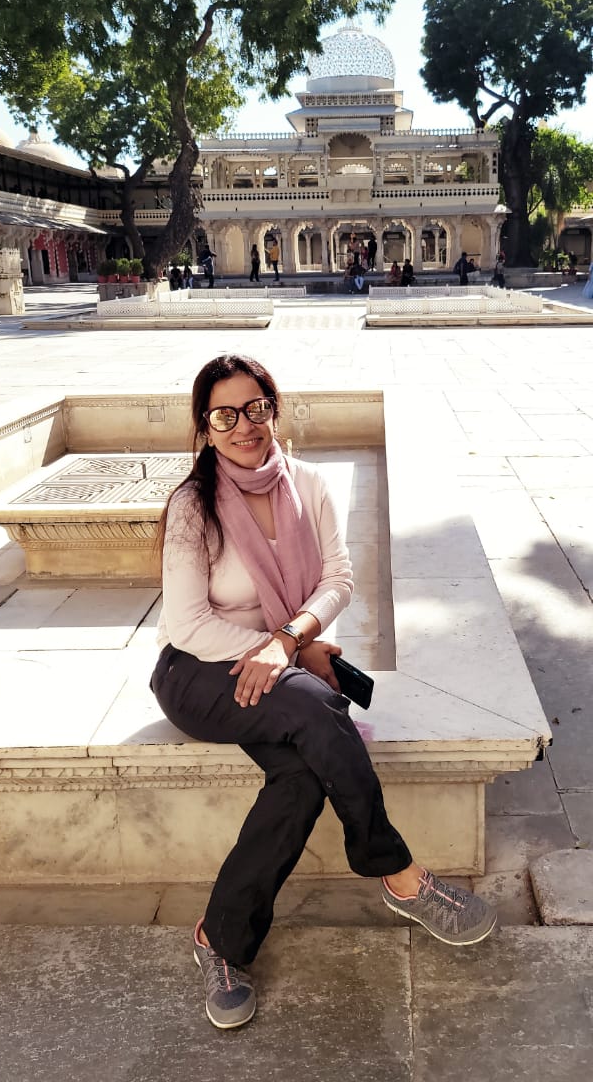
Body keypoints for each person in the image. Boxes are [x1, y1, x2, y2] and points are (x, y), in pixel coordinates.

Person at [152, 354, 496, 1031]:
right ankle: (396, 871)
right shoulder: (193, 508)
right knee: (317, 703)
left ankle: (218, 940)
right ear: (206, 427)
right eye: (225, 414)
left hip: (273, 662)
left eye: (256, 407)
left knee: (304, 778)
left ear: (273, 408)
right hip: (195, 671)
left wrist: (289, 638)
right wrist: (282, 652)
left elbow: (338, 578)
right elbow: (187, 623)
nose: (245, 425)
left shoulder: (308, 484)